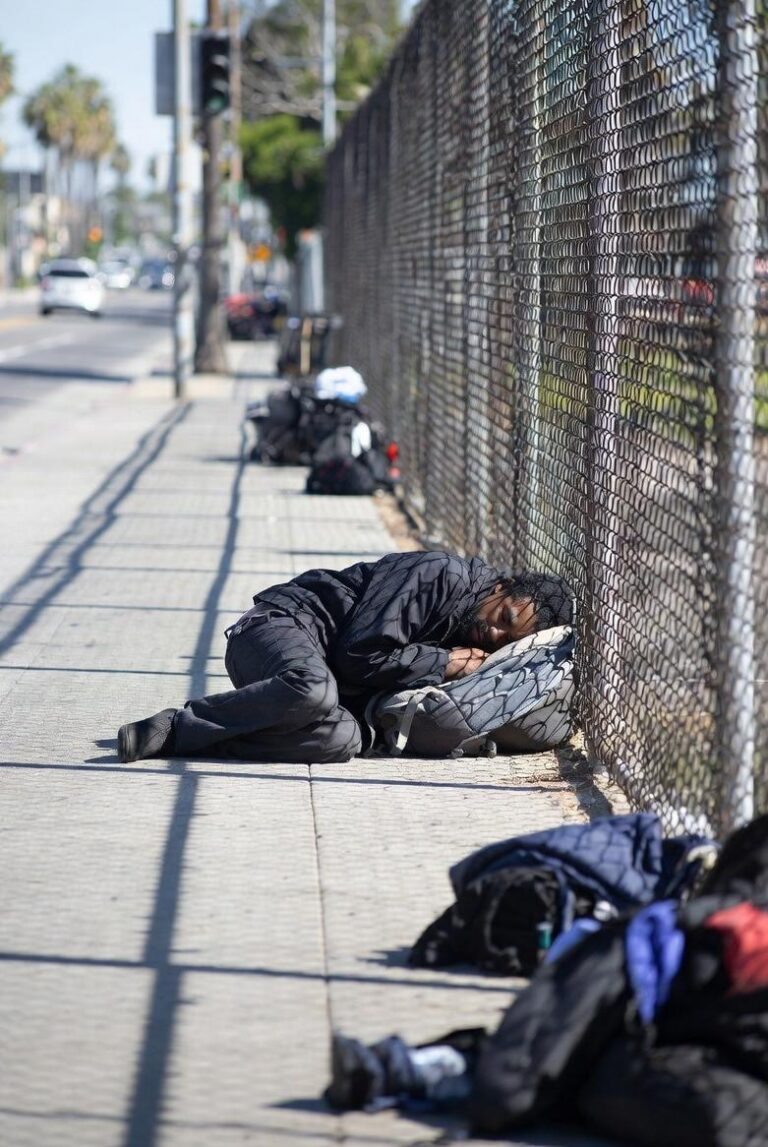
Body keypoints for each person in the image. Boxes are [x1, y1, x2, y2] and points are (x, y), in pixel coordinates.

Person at [116, 550, 573, 765]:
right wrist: (444, 662)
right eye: (504, 616)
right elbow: (358, 654)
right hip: (279, 628)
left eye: (501, 639)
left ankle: (198, 740)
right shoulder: (441, 575)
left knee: (342, 741)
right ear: (503, 588)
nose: (490, 632)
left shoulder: (475, 640)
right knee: (313, 690)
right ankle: (178, 725)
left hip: (318, 688)